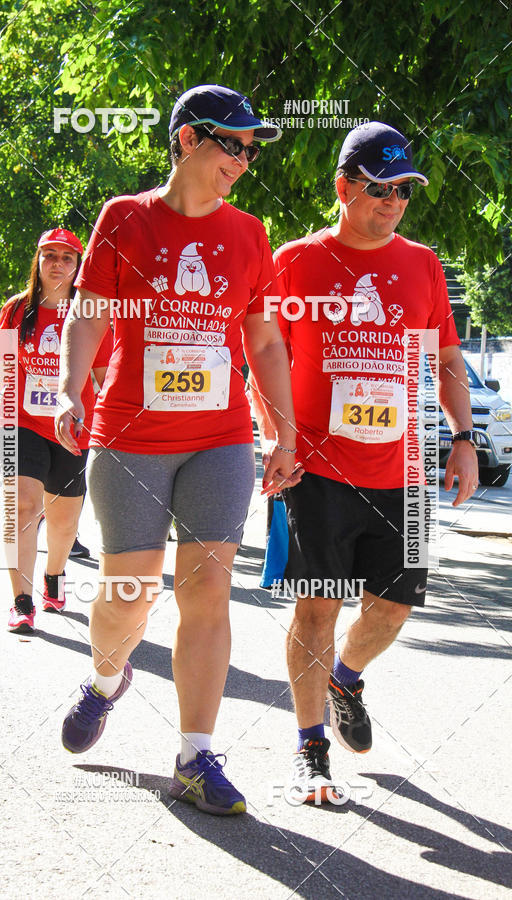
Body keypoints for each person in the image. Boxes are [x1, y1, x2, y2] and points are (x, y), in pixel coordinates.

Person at [54, 85, 296, 816]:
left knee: (208, 590)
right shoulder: (124, 219)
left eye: (253, 149)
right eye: (235, 145)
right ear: (189, 140)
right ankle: (106, 679)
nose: (245, 161)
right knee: (129, 595)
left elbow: (261, 338)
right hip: (130, 436)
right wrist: (71, 389)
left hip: (219, 439)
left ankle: (196, 754)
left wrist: (283, 428)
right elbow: (88, 315)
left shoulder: (250, 234)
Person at [262, 121, 478, 803]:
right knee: (317, 610)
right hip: (317, 470)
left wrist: (464, 436)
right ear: (344, 187)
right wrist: (276, 436)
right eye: (379, 188)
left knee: (390, 613)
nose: (392, 202)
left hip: (405, 473)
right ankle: (310, 748)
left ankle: (345, 679)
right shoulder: (295, 261)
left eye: (403, 191)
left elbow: (444, 358)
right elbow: (261, 360)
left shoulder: (423, 264)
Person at [0, 228, 113, 632]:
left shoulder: (90, 315)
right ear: (38, 261)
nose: (57, 264)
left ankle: (54, 574)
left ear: (78, 265)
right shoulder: (16, 309)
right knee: (22, 507)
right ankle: (21, 600)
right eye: (49, 255)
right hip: (20, 422)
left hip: (73, 428)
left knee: (64, 521)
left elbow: (105, 376)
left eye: (67, 257)